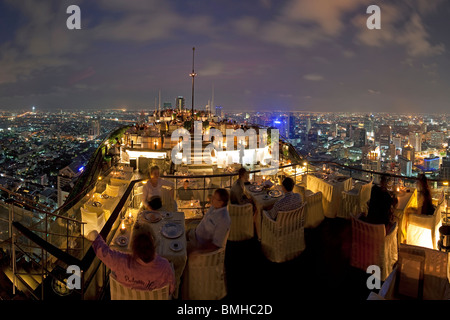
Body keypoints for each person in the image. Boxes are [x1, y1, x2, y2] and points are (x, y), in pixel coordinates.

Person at [89, 230, 175, 295]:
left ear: (133, 248)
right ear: (154, 246)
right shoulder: (164, 266)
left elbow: (103, 252)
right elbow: (171, 290)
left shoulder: (120, 261)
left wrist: (95, 236)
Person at [186, 188, 231, 253]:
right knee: (177, 234)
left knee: (177, 248)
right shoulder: (214, 207)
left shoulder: (223, 220)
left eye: (214, 198)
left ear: (221, 202)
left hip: (199, 245)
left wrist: (198, 251)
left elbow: (216, 245)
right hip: (194, 233)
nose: (211, 199)